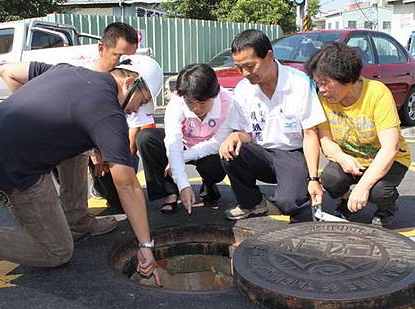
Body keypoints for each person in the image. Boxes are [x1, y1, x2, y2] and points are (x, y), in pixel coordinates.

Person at [0, 55, 163, 285]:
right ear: (130, 83)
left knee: (81, 145)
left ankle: (74, 218)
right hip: (10, 169)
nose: (135, 110)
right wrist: (145, 245)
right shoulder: (108, 113)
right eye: (142, 101)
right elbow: (127, 185)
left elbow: (12, 72)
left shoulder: (69, 70)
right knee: (57, 251)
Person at [216, 29, 326, 221]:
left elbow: (310, 133)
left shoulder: (299, 83)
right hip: (261, 152)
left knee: (290, 204)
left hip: (292, 154)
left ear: (269, 56)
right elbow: (247, 134)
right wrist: (235, 136)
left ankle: (294, 191)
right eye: (239, 68)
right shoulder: (243, 90)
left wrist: (314, 178)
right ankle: (252, 203)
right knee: (229, 151)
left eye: (250, 66)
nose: (244, 74)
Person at [305, 42, 412, 227]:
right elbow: (325, 138)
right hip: (352, 159)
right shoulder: (324, 99)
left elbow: (390, 148)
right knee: (331, 178)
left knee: (378, 191)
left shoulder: (376, 93)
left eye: (325, 83)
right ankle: (346, 198)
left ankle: (387, 207)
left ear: (347, 77)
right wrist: (341, 157)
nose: (321, 89)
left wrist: (363, 187)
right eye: (317, 83)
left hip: (388, 160)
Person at [137, 64, 232, 214]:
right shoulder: (177, 102)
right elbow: (173, 141)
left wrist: (181, 158)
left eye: (202, 103)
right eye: (190, 102)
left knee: (217, 161)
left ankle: (208, 183)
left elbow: (218, 142)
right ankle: (170, 192)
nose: (196, 109)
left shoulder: (229, 102)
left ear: (215, 94)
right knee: (147, 138)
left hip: (209, 149)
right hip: (184, 144)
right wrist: (183, 186)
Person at [87, 22, 157, 209]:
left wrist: (122, 173)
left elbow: (132, 135)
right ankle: (77, 211)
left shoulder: (135, 85)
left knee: (120, 201)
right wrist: (94, 152)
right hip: (82, 146)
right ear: (101, 49)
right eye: (118, 56)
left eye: (128, 58)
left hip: (112, 146)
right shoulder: (84, 79)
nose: (122, 63)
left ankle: (109, 187)